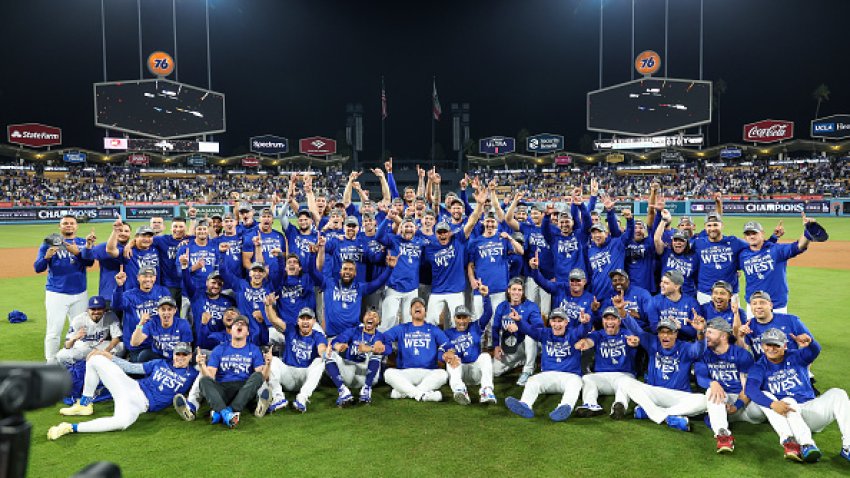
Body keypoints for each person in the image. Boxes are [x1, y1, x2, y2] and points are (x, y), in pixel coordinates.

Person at [47, 342, 197, 440]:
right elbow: (132, 368)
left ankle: (70, 428)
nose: (181, 358)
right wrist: (108, 356)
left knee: (122, 423)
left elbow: (197, 390)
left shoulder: (193, 375)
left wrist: (191, 407)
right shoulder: (160, 363)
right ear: (173, 355)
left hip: (140, 405)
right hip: (131, 386)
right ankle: (84, 403)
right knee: (95, 359)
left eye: (185, 355)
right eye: (178, 354)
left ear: (191, 356)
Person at [745, 328, 850, 463]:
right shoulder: (759, 367)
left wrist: (811, 342)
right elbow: (751, 389)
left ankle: (848, 446)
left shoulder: (796, 356)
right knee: (788, 400)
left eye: (776, 345)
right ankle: (806, 445)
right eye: (768, 344)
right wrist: (772, 404)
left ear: (785, 345)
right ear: (762, 346)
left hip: (810, 409)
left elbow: (814, 351)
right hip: (788, 416)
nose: (771, 348)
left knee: (838, 393)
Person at [619, 307, 708, 432]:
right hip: (655, 392)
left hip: (678, 395)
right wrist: (621, 311)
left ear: (676, 334)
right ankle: (666, 417)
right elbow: (636, 330)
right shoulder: (652, 342)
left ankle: (651, 412)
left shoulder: (685, 348)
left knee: (704, 401)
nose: (665, 336)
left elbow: (699, 350)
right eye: (662, 332)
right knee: (625, 381)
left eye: (669, 332)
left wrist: (701, 332)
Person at [504, 308, 592, 422]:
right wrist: (519, 321)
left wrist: (585, 323)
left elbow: (582, 331)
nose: (557, 324)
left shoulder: (573, 333)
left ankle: (564, 407)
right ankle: (525, 404)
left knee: (576, 383)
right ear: (550, 322)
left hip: (570, 376)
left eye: (560, 321)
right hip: (548, 375)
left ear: (566, 322)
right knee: (532, 380)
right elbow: (529, 330)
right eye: (554, 321)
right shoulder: (544, 333)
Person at [696, 318, 764, 454]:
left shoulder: (742, 355)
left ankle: (720, 416)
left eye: (710, 332)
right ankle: (723, 434)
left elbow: (748, 387)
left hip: (743, 400)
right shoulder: (703, 354)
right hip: (722, 398)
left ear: (723, 335)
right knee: (712, 392)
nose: (706, 336)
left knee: (759, 413)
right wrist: (712, 382)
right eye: (705, 332)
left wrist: (736, 406)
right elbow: (700, 377)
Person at [35, 214, 93, 362]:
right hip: (56, 293)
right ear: (59, 226)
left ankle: (75, 359)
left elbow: (89, 263)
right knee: (54, 331)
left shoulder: (81, 242)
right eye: (65, 223)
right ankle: (51, 362)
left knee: (80, 330)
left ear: (76, 226)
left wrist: (79, 253)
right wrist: (47, 257)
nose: (68, 225)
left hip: (80, 293)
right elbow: (38, 268)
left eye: (71, 223)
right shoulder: (48, 243)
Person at [196, 315, 269, 428]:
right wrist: (202, 365)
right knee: (204, 380)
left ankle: (222, 411)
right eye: (236, 324)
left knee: (257, 376)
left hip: (243, 389)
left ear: (248, 332)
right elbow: (210, 376)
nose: (239, 325)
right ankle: (227, 413)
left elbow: (262, 377)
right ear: (231, 330)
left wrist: (268, 364)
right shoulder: (219, 349)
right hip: (223, 388)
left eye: (243, 324)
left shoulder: (253, 349)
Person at [738, 213, 815, 317]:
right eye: (748, 234)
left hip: (776, 305)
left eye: (754, 233)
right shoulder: (742, 255)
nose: (751, 236)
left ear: (762, 233)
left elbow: (800, 246)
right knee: (753, 333)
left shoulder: (776, 250)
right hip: (753, 305)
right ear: (745, 237)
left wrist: (808, 230)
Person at [381, 298, 456, 402]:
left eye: (421, 305)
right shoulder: (402, 328)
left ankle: (404, 393)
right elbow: (384, 337)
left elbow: (448, 344)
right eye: (414, 305)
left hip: (429, 373)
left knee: (443, 374)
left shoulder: (433, 329)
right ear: (410, 312)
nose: (417, 306)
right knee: (388, 373)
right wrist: (380, 344)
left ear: (425, 312)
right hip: (405, 372)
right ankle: (423, 395)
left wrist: (449, 352)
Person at [573, 306, 639, 419]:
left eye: (613, 319)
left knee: (625, 382)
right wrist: (584, 343)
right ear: (603, 321)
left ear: (619, 321)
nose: (609, 322)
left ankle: (620, 406)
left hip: (623, 375)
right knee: (587, 379)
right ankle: (591, 405)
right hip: (602, 377)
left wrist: (634, 342)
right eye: (606, 319)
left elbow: (634, 340)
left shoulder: (626, 333)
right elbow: (589, 341)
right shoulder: (598, 334)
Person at [262, 304, 328, 412]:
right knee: (272, 360)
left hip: (305, 377)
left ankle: (302, 398)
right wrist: (268, 305)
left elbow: (321, 349)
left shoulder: (318, 335)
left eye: (308, 318)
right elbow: (274, 320)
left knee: (320, 361)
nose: (305, 321)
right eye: (302, 318)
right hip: (288, 374)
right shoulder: (291, 329)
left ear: (313, 321)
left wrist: (325, 354)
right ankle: (278, 397)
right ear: (298, 321)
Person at [444, 286, 496, 405]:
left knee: (485, 357)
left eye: (464, 317)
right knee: (452, 359)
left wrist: (486, 297)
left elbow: (488, 313)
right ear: (454, 318)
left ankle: (486, 391)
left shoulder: (475, 326)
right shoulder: (447, 333)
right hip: (459, 370)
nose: (462, 321)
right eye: (459, 317)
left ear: (469, 318)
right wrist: (447, 355)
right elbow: (440, 353)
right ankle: (460, 390)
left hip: (475, 371)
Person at [324, 307, 386, 405]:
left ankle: (366, 390)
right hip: (348, 373)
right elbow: (335, 341)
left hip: (366, 375)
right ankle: (343, 391)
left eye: (375, 316)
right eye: (368, 314)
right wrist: (338, 345)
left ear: (379, 321)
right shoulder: (354, 331)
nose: (371, 317)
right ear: (363, 318)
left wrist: (370, 348)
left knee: (377, 354)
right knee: (328, 353)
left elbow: (383, 348)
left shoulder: (380, 335)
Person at [111, 266, 171, 362]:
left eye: (151, 276)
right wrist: (119, 286)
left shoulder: (163, 292)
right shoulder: (130, 295)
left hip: (159, 343)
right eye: (144, 276)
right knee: (143, 363)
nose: (148, 279)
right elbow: (116, 305)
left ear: (155, 278)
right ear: (138, 278)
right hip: (137, 346)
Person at [55, 296, 123, 366]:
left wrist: (105, 352)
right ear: (88, 310)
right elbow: (67, 345)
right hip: (83, 348)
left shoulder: (110, 316)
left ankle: (100, 361)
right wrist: (74, 338)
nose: (96, 312)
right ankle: (87, 364)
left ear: (104, 309)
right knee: (61, 355)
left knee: (121, 346)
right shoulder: (79, 320)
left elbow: (116, 338)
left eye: (99, 309)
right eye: (93, 309)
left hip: (101, 346)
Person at [130, 296, 193, 363]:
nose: (166, 313)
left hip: (176, 358)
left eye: (169, 309)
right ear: (158, 311)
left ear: (174, 310)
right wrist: (140, 324)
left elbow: (186, 348)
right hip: (158, 357)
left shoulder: (183, 324)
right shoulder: (152, 323)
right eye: (163, 309)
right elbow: (134, 343)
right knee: (144, 355)